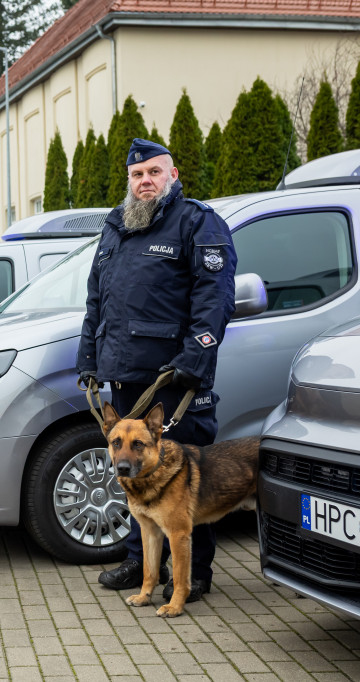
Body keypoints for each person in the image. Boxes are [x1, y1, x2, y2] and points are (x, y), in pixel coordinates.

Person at [77, 138, 237, 603]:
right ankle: (140, 560)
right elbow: (95, 303)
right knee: (134, 476)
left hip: (175, 381)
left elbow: (215, 299)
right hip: (125, 378)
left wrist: (195, 359)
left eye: (153, 172)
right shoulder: (116, 227)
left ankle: (195, 574)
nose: (144, 181)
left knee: (190, 483)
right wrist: (88, 359)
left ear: (173, 174)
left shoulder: (198, 223)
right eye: (136, 175)